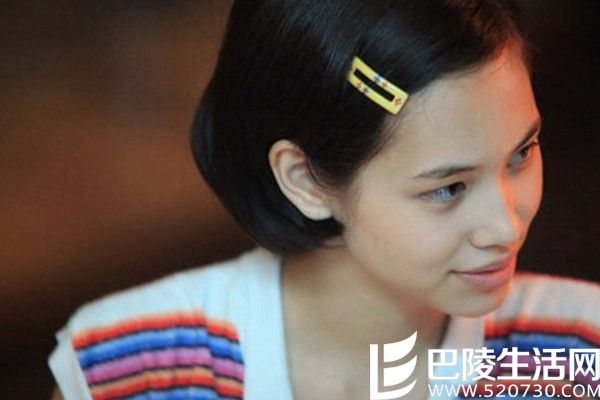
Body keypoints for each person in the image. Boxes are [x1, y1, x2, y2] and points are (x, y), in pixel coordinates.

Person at [49, 1, 600, 399]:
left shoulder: (579, 351)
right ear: (306, 180)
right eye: (448, 188)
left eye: (521, 153)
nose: (505, 226)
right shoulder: (133, 369)